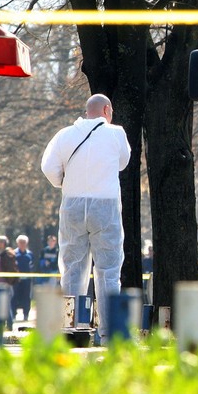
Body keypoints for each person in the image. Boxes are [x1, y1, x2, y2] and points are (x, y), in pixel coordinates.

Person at [41, 93, 131, 344]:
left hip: (72, 204)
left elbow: (48, 167)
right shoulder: (117, 133)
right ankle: (109, 333)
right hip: (106, 206)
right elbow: (124, 163)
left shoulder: (65, 134)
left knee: (72, 267)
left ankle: (72, 329)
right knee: (108, 270)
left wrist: (64, 184)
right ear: (107, 110)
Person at [0, 235, 18, 329]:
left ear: (3, 243)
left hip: (5, 285)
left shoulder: (7, 254)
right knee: (1, 306)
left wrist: (9, 282)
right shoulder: (1, 254)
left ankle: (10, 325)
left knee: (6, 306)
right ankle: (3, 325)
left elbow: (11, 269)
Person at [13, 234, 34, 321]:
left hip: (27, 279)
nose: (22, 244)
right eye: (21, 242)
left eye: (24, 242)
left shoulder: (30, 254)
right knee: (14, 297)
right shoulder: (14, 253)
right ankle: (14, 315)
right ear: (17, 243)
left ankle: (26, 315)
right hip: (16, 279)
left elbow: (32, 265)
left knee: (26, 297)